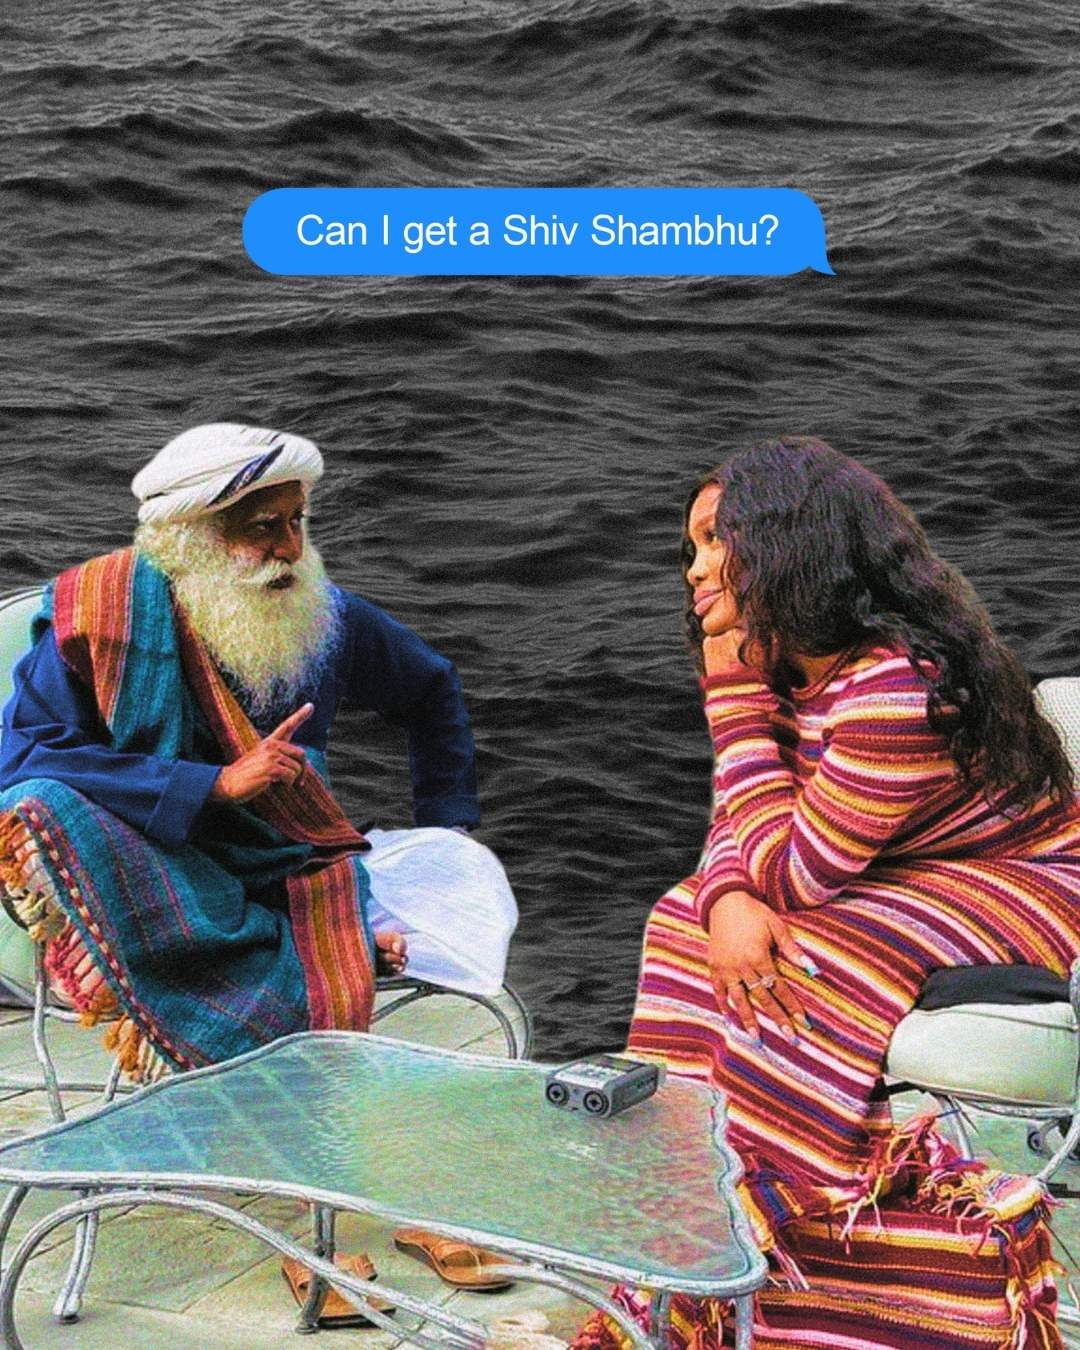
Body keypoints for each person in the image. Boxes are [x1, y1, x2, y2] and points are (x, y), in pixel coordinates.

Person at [577, 437, 1080, 1350]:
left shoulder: (897, 687)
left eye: (714, 541)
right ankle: (688, 1219)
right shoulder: (798, 661)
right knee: (685, 919)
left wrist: (731, 700)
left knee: (802, 954)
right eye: (688, 548)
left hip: (1029, 880)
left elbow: (793, 875)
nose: (693, 571)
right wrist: (725, 899)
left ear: (787, 541)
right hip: (905, 868)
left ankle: (777, 1222)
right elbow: (745, 828)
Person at [0, 422, 517, 1083]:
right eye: (264, 529)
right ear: (191, 541)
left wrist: (447, 823)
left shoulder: (321, 612)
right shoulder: (99, 618)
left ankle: (314, 947)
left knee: (457, 875)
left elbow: (430, 689)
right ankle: (326, 954)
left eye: (297, 522)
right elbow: (24, 758)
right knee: (36, 804)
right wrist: (212, 785)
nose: (291, 550)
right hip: (157, 861)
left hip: (286, 856)